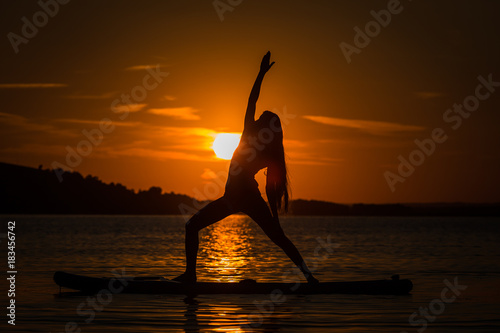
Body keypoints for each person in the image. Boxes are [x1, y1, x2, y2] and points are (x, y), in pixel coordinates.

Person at [173, 51, 318, 284]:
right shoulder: (254, 141)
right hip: (236, 198)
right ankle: (190, 275)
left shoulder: (259, 148)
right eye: (259, 117)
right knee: (192, 226)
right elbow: (252, 101)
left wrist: (275, 222)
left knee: (277, 238)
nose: (257, 118)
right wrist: (260, 74)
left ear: (266, 129)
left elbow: (272, 192)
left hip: (244, 198)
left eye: (262, 118)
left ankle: (309, 277)